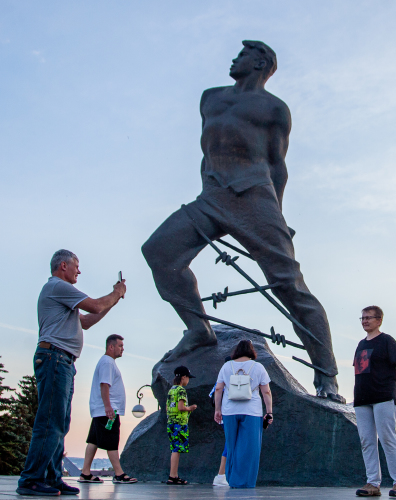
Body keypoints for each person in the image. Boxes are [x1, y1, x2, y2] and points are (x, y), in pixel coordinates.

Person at [141, 40, 344, 403]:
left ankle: (326, 373)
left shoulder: (274, 109)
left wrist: (277, 214)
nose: (234, 59)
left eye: (243, 54)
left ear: (261, 63)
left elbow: (277, 164)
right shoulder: (210, 98)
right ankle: (199, 329)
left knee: (288, 284)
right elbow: (209, 148)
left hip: (253, 196)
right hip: (212, 195)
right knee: (159, 252)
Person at [17, 250, 126, 496]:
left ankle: (53, 478)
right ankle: (31, 479)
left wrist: (114, 300)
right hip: (55, 358)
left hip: (62, 361)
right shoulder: (58, 286)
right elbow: (96, 304)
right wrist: (116, 293)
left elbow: (87, 320)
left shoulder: (63, 296)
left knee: (60, 423)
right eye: (77, 266)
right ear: (63, 265)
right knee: (50, 421)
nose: (79, 271)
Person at [353, 306, 396, 497]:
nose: (365, 321)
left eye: (369, 318)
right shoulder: (360, 344)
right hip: (362, 399)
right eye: (362, 318)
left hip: (383, 397)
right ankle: (372, 483)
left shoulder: (387, 341)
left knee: (388, 439)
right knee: (367, 441)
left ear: (379, 320)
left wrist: (388, 384)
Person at [213, 340, 273, 488]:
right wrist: (269, 412)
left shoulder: (227, 366)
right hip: (251, 412)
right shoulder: (258, 367)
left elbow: (219, 389)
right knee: (250, 449)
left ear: (236, 351)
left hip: (230, 411)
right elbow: (266, 391)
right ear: (252, 351)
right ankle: (245, 483)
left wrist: (217, 409)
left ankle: (232, 480)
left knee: (232, 446)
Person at [79, 335, 137, 484]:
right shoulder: (107, 363)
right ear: (111, 347)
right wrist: (108, 407)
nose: (122, 349)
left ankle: (85, 473)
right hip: (108, 410)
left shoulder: (107, 362)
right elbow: (104, 384)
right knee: (111, 440)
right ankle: (119, 474)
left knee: (93, 440)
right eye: (120, 346)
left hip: (101, 410)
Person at [167, 366, 197, 485]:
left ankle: (174, 475)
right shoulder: (181, 390)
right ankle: (173, 476)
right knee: (176, 450)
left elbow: (167, 407)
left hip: (171, 422)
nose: (188, 380)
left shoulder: (171, 390)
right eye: (188, 378)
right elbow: (180, 407)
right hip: (179, 424)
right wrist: (190, 408)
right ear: (183, 377)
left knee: (174, 449)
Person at [209, 356, 232, 487]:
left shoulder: (222, 376)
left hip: (224, 418)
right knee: (230, 444)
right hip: (228, 416)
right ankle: (221, 475)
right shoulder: (230, 377)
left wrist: (217, 409)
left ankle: (223, 475)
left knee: (230, 444)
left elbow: (213, 393)